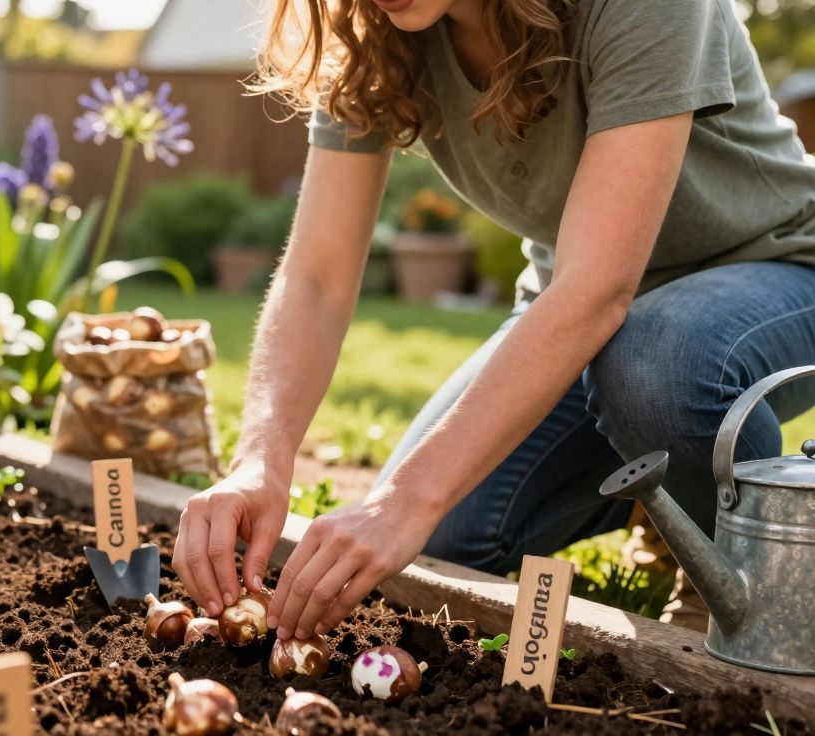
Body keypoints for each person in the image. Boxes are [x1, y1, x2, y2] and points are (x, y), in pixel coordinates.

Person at [172, 0, 815, 642]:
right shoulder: (372, 31)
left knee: (658, 367)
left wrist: (403, 499)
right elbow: (316, 277)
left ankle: (761, 584)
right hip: (576, 306)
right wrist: (260, 458)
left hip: (780, 265)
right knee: (448, 538)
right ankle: (663, 480)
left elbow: (597, 291)